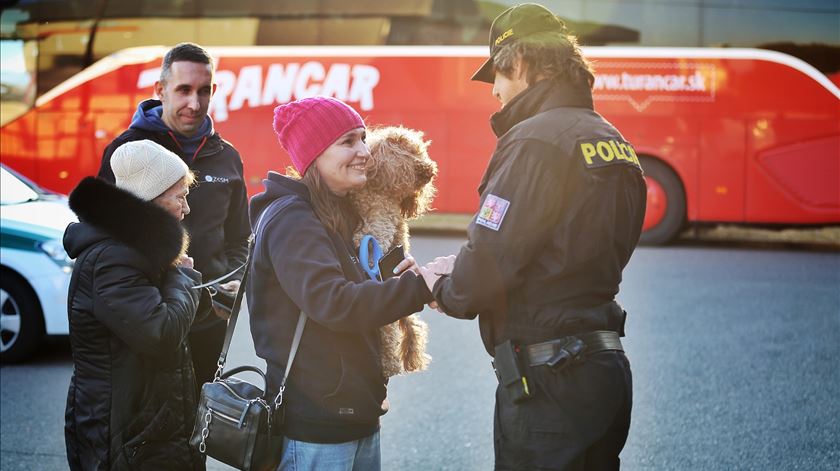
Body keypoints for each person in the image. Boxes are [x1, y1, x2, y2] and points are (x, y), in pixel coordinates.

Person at [419, 4, 647, 470]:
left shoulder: (532, 142)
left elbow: (488, 264)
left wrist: (443, 287)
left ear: (518, 64)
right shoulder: (613, 140)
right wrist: (463, 266)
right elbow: (549, 250)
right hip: (605, 370)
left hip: (549, 383)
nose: (496, 92)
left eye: (496, 78)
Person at [247, 96, 434, 470]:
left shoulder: (337, 215)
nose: (365, 151)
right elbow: (335, 304)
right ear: (313, 155)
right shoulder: (293, 221)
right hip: (316, 425)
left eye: (363, 139)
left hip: (352, 413)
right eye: (348, 141)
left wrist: (392, 279)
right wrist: (420, 287)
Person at [97, 42, 250, 392]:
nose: (194, 104)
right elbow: (104, 238)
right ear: (160, 91)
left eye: (204, 91)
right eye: (183, 90)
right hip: (146, 324)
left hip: (208, 326)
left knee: (198, 432)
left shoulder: (228, 157)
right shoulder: (126, 152)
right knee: (149, 437)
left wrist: (233, 283)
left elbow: (240, 236)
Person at [64, 140, 208, 470]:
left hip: (145, 424)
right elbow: (161, 333)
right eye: (180, 196)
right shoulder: (113, 259)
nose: (185, 209)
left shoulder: (136, 248)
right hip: (124, 431)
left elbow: (177, 316)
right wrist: (183, 277)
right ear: (153, 200)